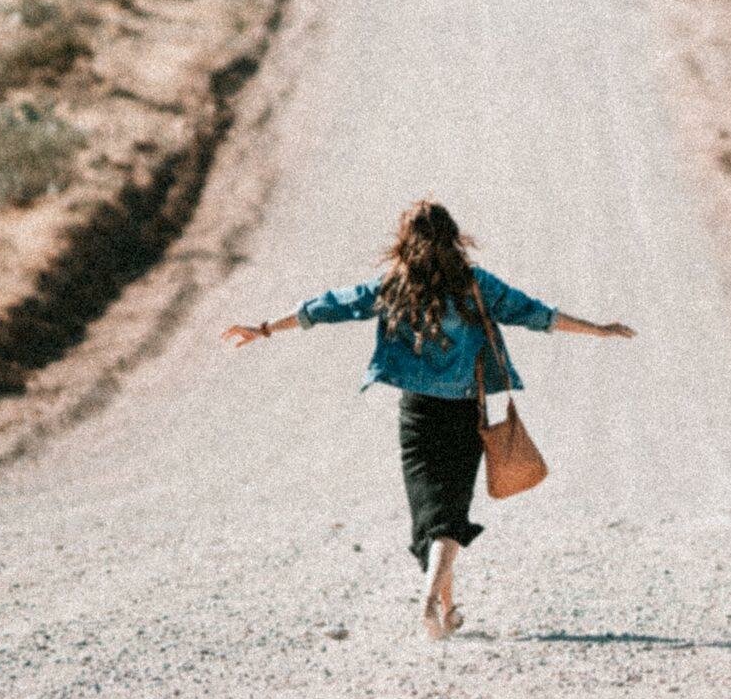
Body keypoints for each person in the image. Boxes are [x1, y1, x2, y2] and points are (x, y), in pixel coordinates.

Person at [223, 198, 634, 639]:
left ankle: (444, 609)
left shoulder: (392, 287)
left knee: (430, 517)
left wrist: (264, 329)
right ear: (454, 239)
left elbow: (327, 307)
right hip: (463, 413)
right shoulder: (478, 286)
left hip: (416, 415)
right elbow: (537, 315)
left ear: (405, 243)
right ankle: (435, 606)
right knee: (449, 517)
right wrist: (597, 329)